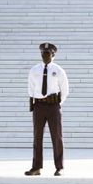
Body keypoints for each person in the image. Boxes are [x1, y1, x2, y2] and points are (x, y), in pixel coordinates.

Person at [25, 42, 69, 176]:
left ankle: (59, 167)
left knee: (57, 137)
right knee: (37, 137)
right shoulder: (34, 70)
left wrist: (57, 103)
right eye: (43, 54)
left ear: (53, 55)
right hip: (38, 106)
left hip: (53, 106)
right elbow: (31, 88)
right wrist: (33, 100)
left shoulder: (59, 70)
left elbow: (65, 89)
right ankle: (36, 167)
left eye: (48, 54)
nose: (45, 56)